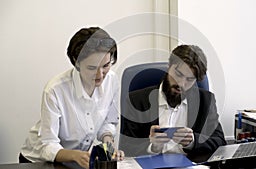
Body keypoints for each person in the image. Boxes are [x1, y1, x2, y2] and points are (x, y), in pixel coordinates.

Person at [19, 27, 124, 169]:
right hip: (38, 161)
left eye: (105, 66)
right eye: (92, 68)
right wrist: (76, 155)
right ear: (77, 62)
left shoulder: (112, 81)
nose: (100, 75)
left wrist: (108, 149)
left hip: (76, 161)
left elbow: (108, 124)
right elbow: (48, 145)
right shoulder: (55, 90)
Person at [120, 45, 226, 158]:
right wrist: (152, 146)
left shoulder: (206, 101)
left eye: (189, 79)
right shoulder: (137, 100)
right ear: (168, 66)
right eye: (178, 74)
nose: (181, 83)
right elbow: (126, 147)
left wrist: (192, 141)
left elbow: (219, 141)